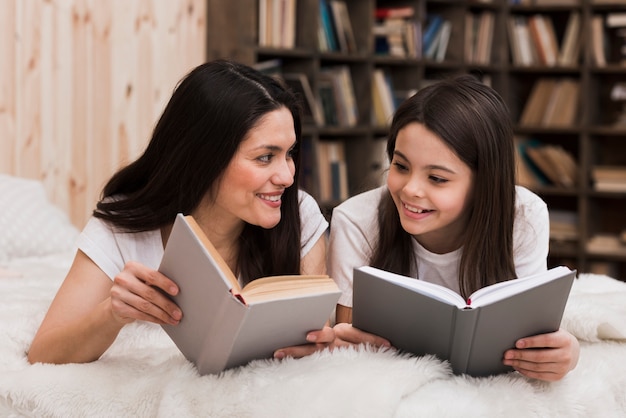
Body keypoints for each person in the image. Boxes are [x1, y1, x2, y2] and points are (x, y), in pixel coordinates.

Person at [27, 59, 338, 364]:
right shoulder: (124, 228)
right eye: (265, 157)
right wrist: (111, 313)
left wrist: (317, 343)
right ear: (206, 158)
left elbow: (315, 338)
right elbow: (43, 352)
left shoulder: (300, 213)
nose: (287, 176)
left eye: (290, 154)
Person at [325, 75, 580, 382]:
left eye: (437, 178)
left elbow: (531, 337)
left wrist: (564, 354)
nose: (410, 190)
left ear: (484, 182)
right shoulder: (356, 221)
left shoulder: (524, 215)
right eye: (400, 166)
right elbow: (350, 347)